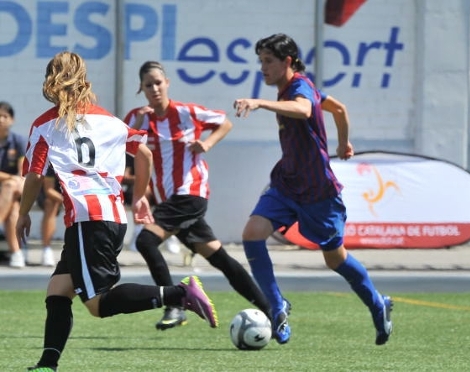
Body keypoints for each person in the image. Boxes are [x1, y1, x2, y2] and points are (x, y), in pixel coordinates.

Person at [16, 51, 218, 372]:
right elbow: (145, 153)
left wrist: (24, 213)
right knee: (58, 290)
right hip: (109, 217)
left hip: (87, 220)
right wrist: (139, 198)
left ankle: (179, 294)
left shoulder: (45, 125)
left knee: (97, 305)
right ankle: (47, 364)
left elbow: (35, 175)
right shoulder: (108, 120)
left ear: (51, 80)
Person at [233, 33, 393, 345]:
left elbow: (305, 109)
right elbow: (340, 109)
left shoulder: (299, 87)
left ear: (287, 62)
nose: (262, 68)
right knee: (252, 233)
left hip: (318, 191)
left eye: (268, 61)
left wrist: (259, 103)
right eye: (260, 61)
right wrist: (344, 141)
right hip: (287, 183)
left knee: (335, 260)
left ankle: (378, 304)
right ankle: (276, 306)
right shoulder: (290, 89)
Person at [124, 60, 272, 331]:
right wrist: (138, 123)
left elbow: (224, 123)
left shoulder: (186, 112)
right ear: (141, 89)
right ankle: (272, 311)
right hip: (170, 201)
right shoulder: (138, 116)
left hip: (191, 193)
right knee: (220, 259)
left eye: (158, 82)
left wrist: (206, 143)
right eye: (148, 85)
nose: (154, 88)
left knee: (145, 241)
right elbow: (125, 148)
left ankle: (175, 305)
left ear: (167, 83)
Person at [0, 101, 27, 268]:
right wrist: (11, 178)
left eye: (5, 116)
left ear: (12, 120)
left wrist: (13, 180)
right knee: (13, 210)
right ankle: (16, 253)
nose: (1, 120)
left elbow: (23, 171)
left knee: (11, 186)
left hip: (18, 186)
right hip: (8, 190)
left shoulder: (18, 141)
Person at [35, 166, 60, 267]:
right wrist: (65, 200)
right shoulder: (53, 163)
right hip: (53, 194)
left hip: (75, 194)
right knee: (50, 203)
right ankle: (47, 249)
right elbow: (49, 190)